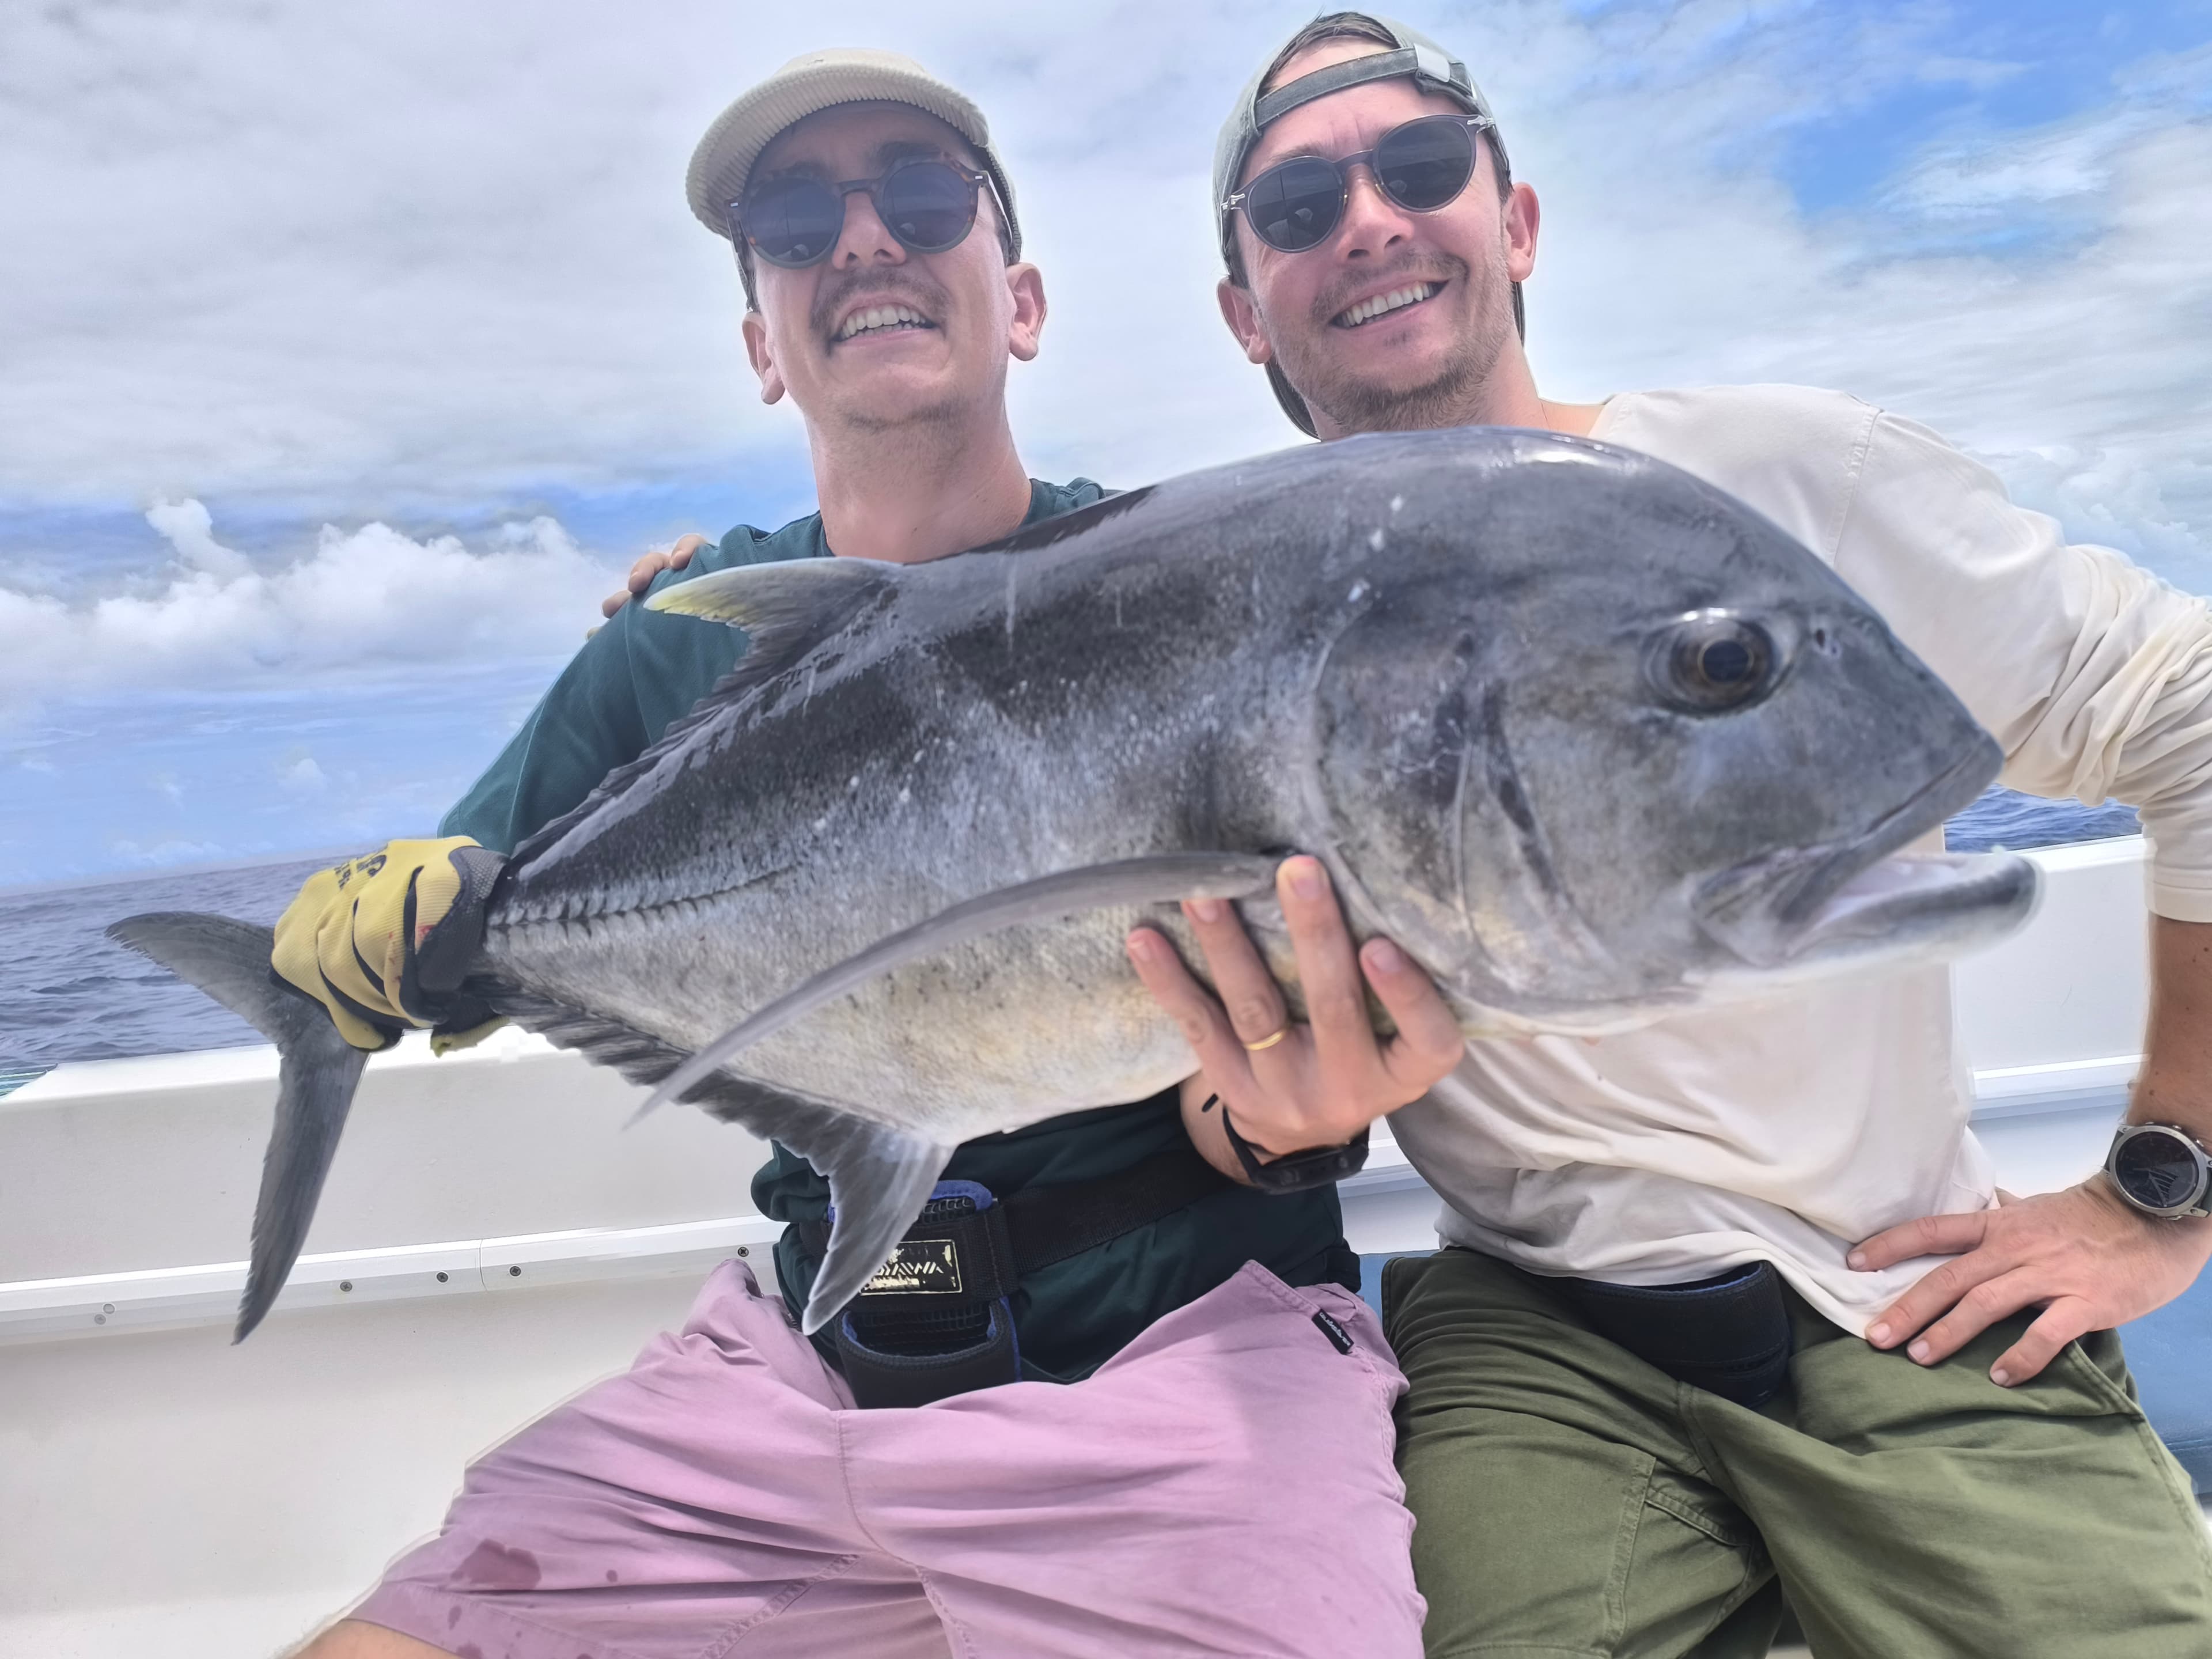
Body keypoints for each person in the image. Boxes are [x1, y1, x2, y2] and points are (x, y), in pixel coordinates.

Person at [269, 47, 1450, 1659]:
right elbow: (461, 930)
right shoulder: (673, 646)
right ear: (763, 341)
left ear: (1017, 298)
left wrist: (1283, 1123)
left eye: (919, 195)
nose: (865, 242)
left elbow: (1256, 1046)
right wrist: (370, 948)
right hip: (803, 1370)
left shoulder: (1184, 590)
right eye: (796, 218)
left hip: (1176, 1364)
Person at [1131, 13, 2212, 1657]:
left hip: (1901, 1292)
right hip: (1532, 1329)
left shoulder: (1779, 479)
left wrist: (2162, 1190)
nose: (1367, 219)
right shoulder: (1233, 609)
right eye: (1297, 207)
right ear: (1243, 307)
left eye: (1420, 167)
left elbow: (2187, 705)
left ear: (1520, 219)